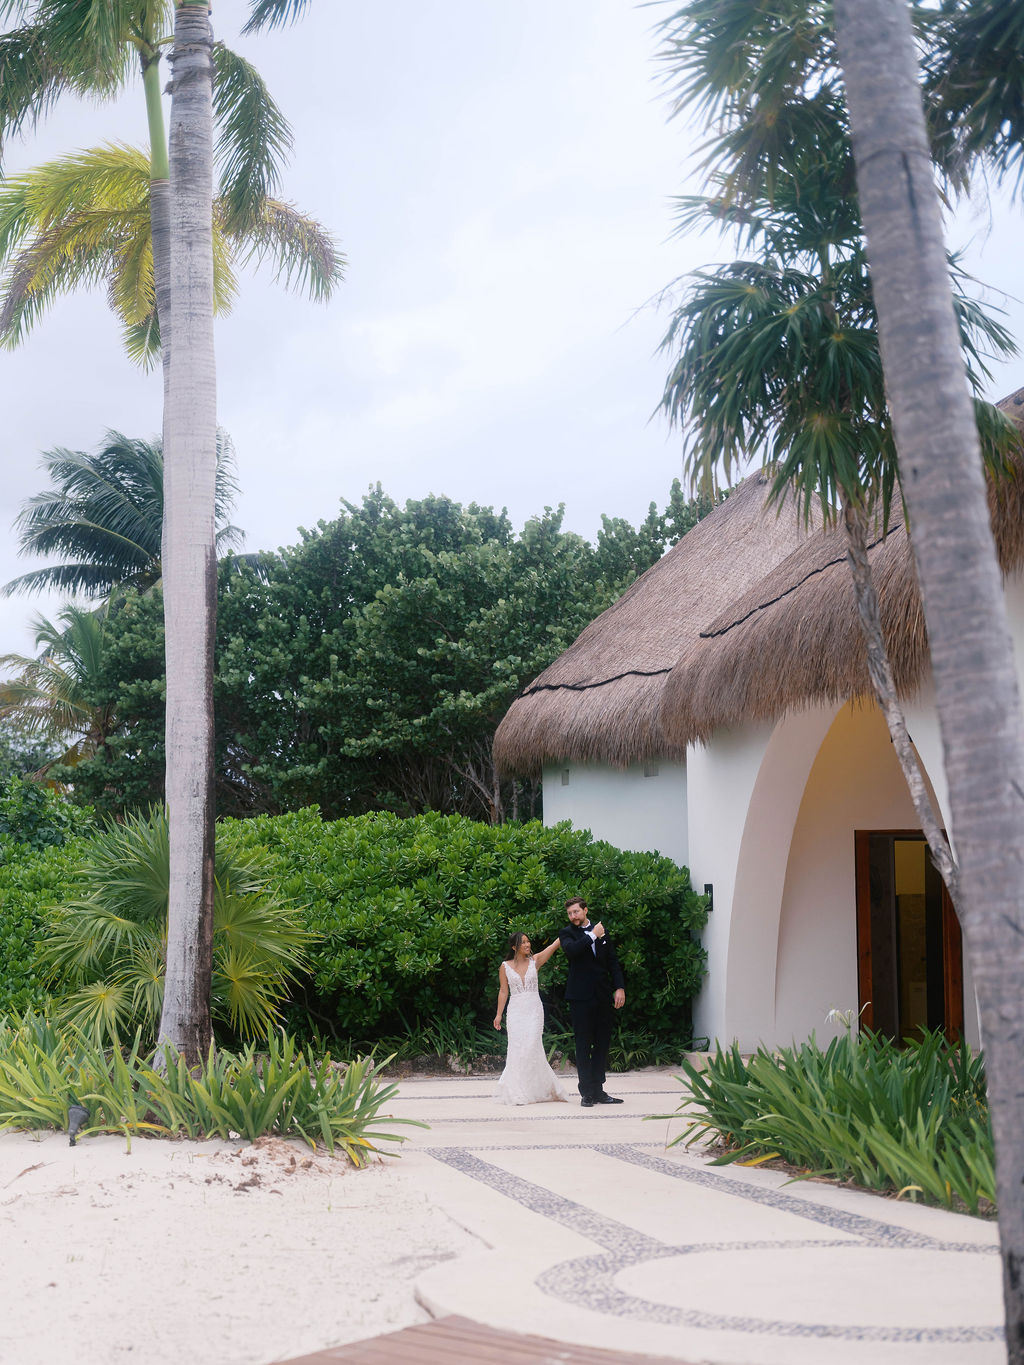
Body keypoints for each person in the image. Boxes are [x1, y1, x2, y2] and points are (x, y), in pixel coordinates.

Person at [558, 896, 626, 1107]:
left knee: (602, 1043)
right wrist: (592, 936)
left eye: (576, 912)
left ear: (585, 910)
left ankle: (599, 1090)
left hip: (603, 996)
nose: (573, 916)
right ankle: (586, 1092)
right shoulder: (567, 933)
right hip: (580, 997)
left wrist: (619, 988)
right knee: (583, 1044)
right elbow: (572, 951)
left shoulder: (602, 931)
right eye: (570, 913)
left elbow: (613, 962)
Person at [493, 931, 568, 1105]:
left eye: (528, 942)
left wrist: (569, 931)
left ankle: (537, 1088)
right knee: (517, 1049)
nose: (527, 945)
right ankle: (519, 1090)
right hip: (515, 1011)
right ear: (514, 947)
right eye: (523, 943)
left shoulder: (535, 961)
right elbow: (503, 991)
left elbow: (554, 945)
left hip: (534, 1010)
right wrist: (498, 1014)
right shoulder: (505, 966)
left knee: (532, 1046)